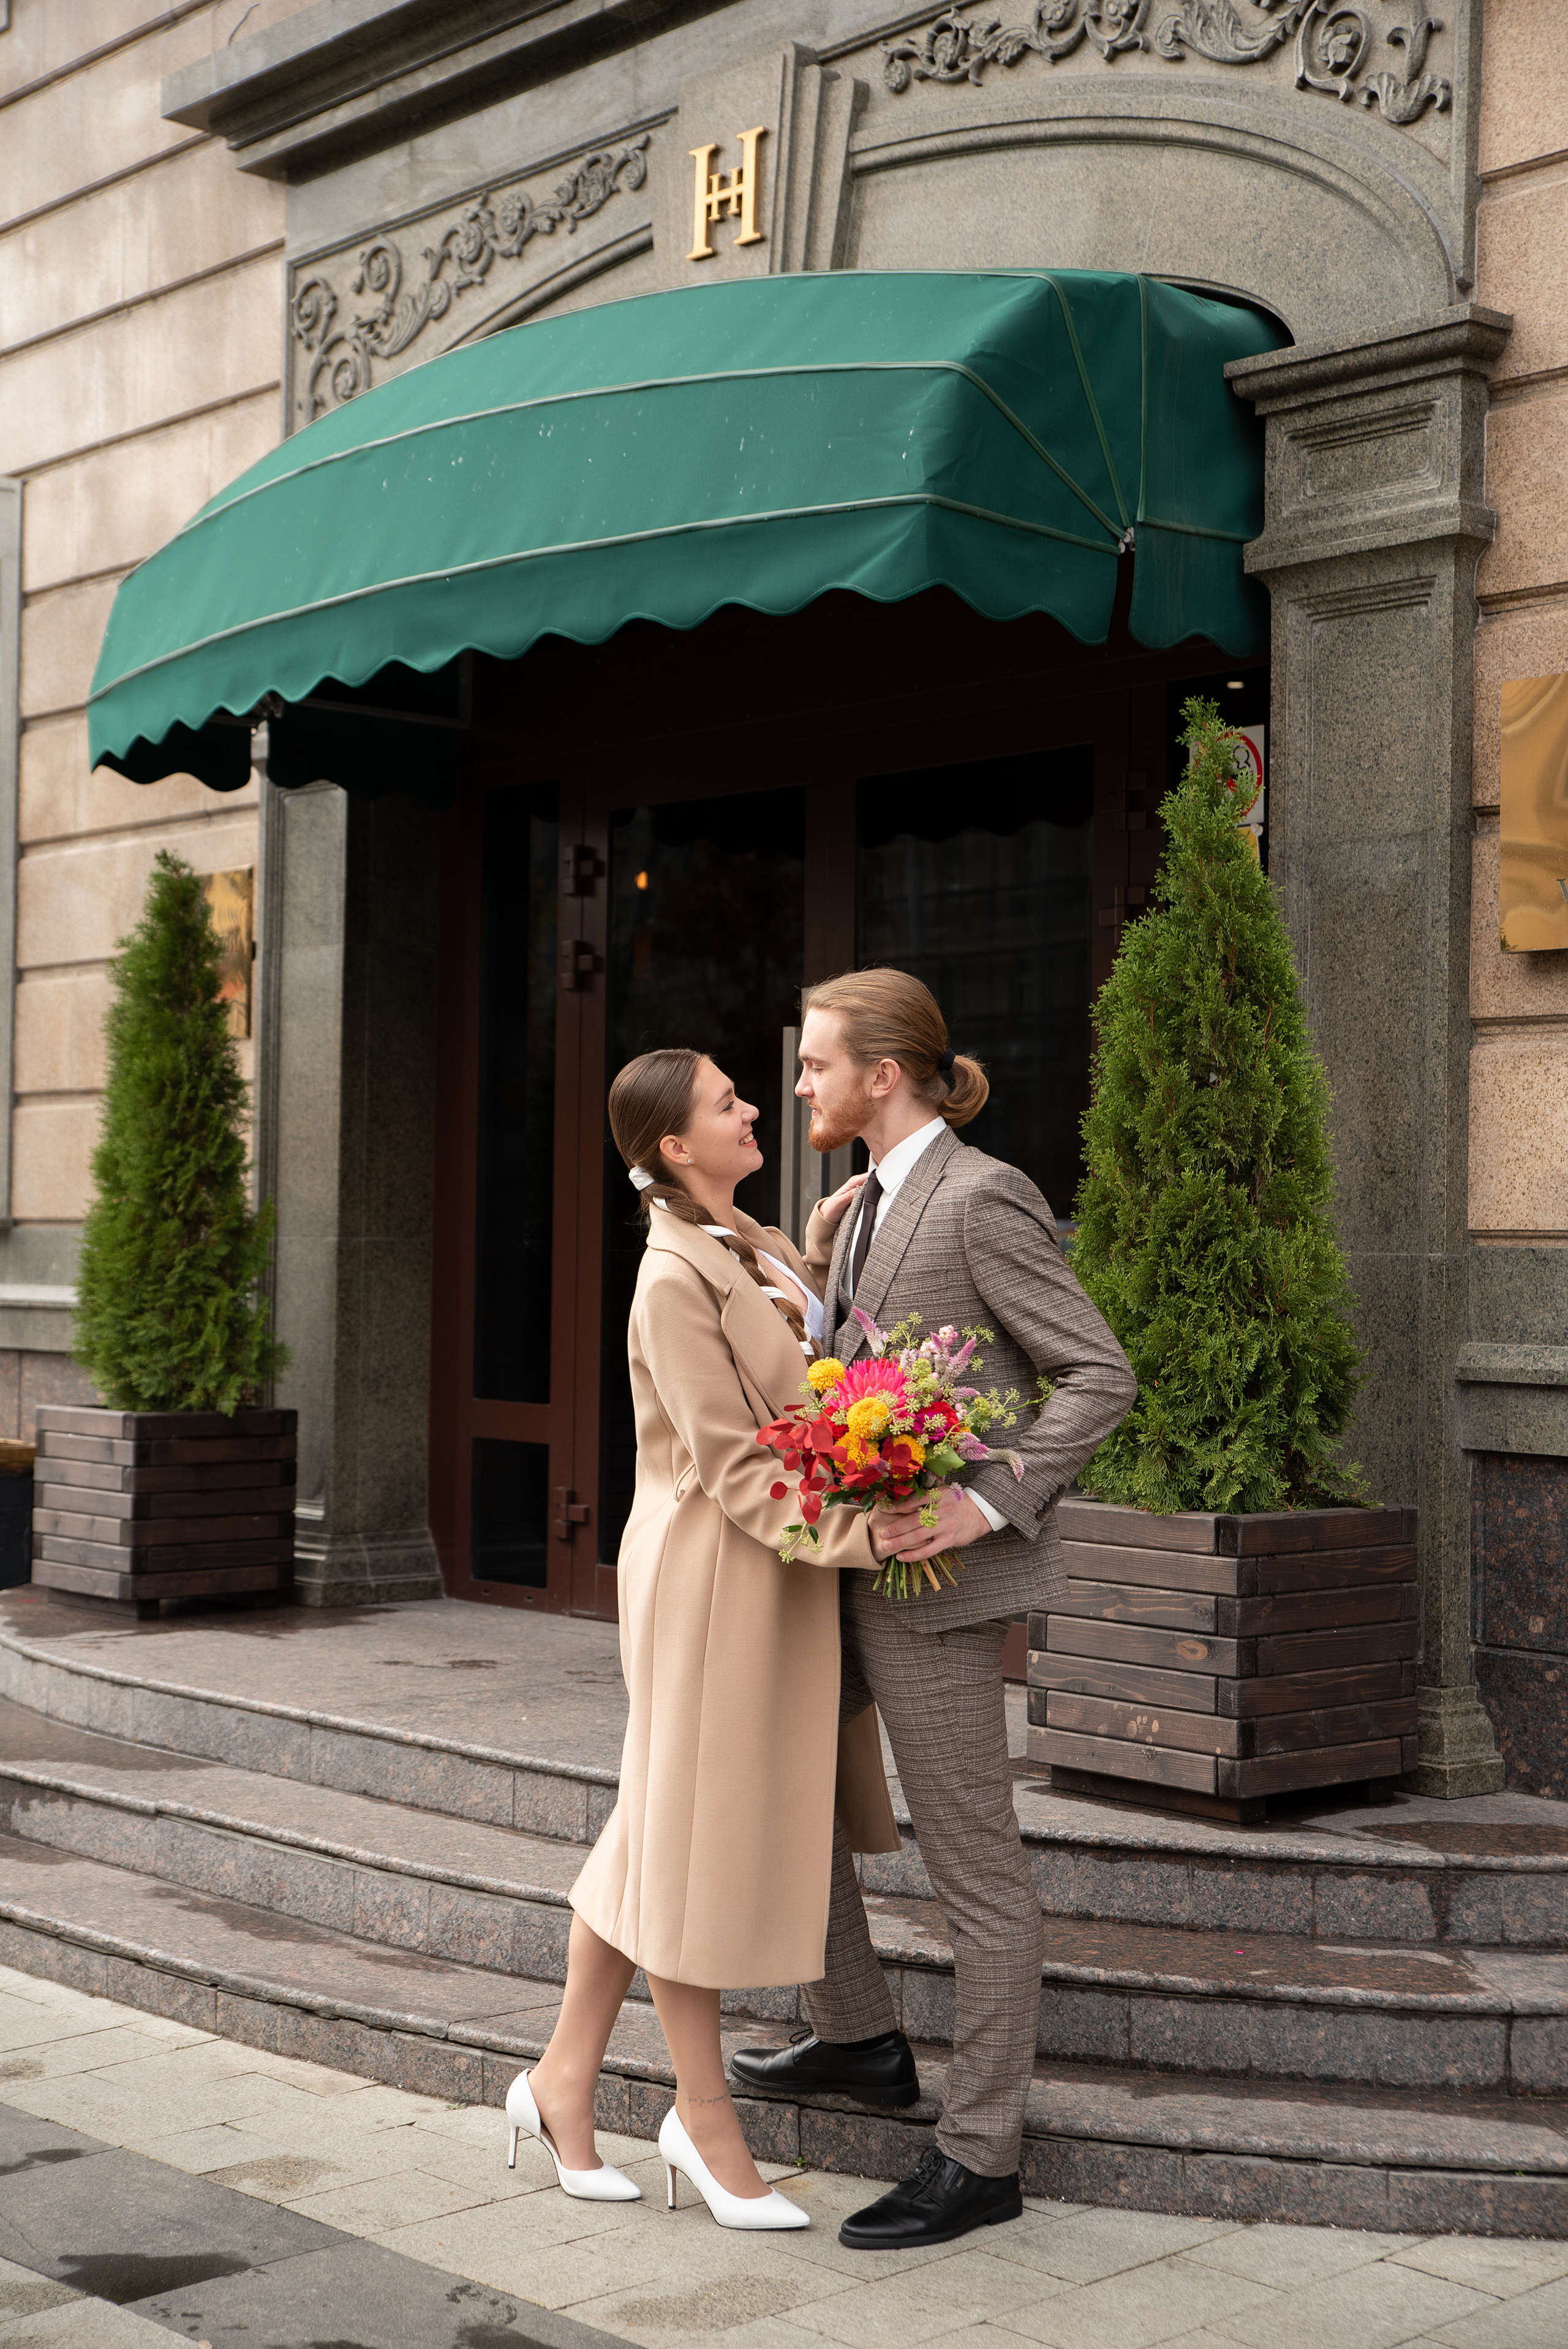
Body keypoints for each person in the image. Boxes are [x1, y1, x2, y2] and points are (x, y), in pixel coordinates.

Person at [731, 970, 1137, 2250]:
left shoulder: (980, 1195)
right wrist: (810, 1257)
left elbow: (1097, 1373)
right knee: (776, 1789)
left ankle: (982, 2153)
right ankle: (856, 2035)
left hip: (941, 1586)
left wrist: (985, 1504)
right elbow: (856, 1362)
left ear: (880, 1075)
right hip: (848, 1572)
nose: (798, 1083)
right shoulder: (860, 1204)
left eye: (812, 1064)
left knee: (972, 1869)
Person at [509, 1045, 902, 2231]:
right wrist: (870, 1534)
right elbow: (733, 1465)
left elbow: (800, 1356)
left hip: (765, 1580)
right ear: (673, 1147)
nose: (751, 1107)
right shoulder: (666, 1279)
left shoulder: (749, 1242)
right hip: (711, 1580)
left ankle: (559, 2084)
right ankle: (700, 2111)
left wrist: (818, 1259)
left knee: (650, 1828)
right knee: (677, 1841)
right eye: (728, 1103)